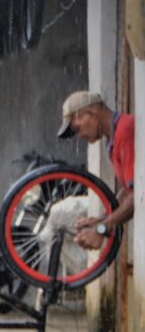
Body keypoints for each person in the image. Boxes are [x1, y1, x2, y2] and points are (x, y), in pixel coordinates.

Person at [56, 91, 135, 250]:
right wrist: (101, 219)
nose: (79, 136)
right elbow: (128, 191)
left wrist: (102, 229)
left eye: (77, 129)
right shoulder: (112, 140)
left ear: (91, 113)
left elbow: (139, 196)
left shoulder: (125, 131)